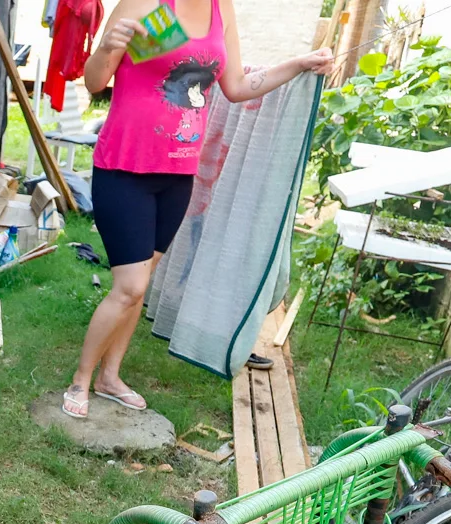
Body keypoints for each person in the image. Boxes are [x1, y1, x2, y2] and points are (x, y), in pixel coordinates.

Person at [62, 0, 331, 417]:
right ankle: (80, 380)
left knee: (141, 284)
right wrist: (104, 50)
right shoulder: (150, 5)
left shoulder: (220, 10)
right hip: (126, 166)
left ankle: (110, 377)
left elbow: (237, 86)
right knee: (129, 286)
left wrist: (296, 64)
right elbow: (96, 82)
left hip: (176, 174)